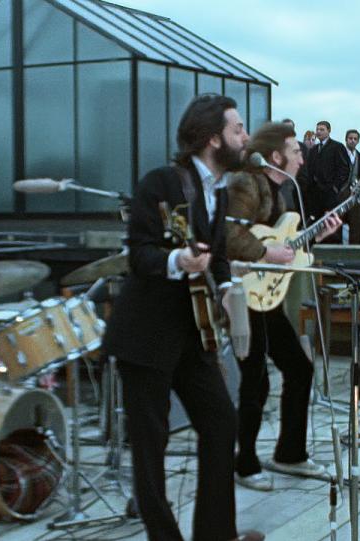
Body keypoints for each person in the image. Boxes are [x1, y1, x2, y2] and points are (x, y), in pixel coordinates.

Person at [101, 94, 262, 541]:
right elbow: (138, 254)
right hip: (146, 334)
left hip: (194, 332)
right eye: (237, 129)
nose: (245, 137)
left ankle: (214, 533)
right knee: (151, 447)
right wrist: (177, 260)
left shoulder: (220, 190)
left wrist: (228, 290)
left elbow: (221, 254)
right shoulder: (161, 183)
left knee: (220, 421)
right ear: (213, 139)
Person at [224, 122, 340, 492]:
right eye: (295, 151)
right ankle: (244, 463)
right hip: (242, 294)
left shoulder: (283, 195)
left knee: (299, 368)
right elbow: (231, 236)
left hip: (266, 298)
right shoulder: (247, 183)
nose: (302, 157)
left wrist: (314, 237)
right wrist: (266, 252)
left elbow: (286, 247)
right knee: (254, 379)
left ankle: (289, 453)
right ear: (276, 156)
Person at [298, 121, 348, 232]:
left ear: (329, 131)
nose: (318, 132)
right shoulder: (313, 150)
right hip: (315, 195)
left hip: (330, 194)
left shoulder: (337, 147)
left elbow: (344, 170)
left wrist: (335, 188)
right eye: (317, 130)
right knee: (315, 225)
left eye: (322, 129)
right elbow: (309, 170)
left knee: (330, 224)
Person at [340, 129, 360, 244]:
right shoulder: (338, 155)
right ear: (346, 139)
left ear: (358, 141)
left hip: (356, 197)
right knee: (337, 225)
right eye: (350, 138)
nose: (352, 141)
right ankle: (336, 252)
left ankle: (352, 253)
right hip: (340, 196)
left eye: (355, 139)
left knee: (356, 226)